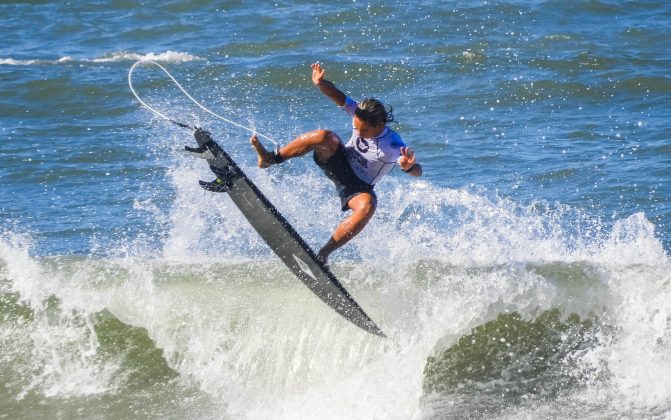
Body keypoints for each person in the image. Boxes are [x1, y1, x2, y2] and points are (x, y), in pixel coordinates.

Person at [251, 62, 422, 264]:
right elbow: (338, 96)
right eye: (356, 128)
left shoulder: (392, 145)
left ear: (380, 125)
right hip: (337, 161)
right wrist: (320, 83)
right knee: (325, 136)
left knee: (367, 207)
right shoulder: (360, 114)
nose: (358, 132)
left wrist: (408, 167)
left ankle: (323, 254)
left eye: (364, 130)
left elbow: (417, 171)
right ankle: (271, 158)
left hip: (357, 186)